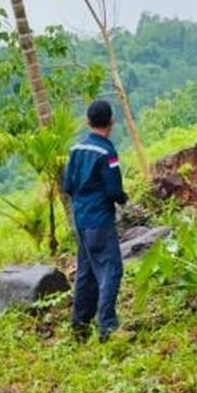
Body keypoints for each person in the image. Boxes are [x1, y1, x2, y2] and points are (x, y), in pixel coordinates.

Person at [62, 99, 129, 341]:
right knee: (111, 270)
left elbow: (68, 185)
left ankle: (80, 324)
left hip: (81, 221)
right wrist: (123, 198)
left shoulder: (76, 150)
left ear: (88, 122)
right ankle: (108, 326)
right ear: (111, 121)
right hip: (100, 220)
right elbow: (113, 190)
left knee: (87, 272)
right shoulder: (107, 152)